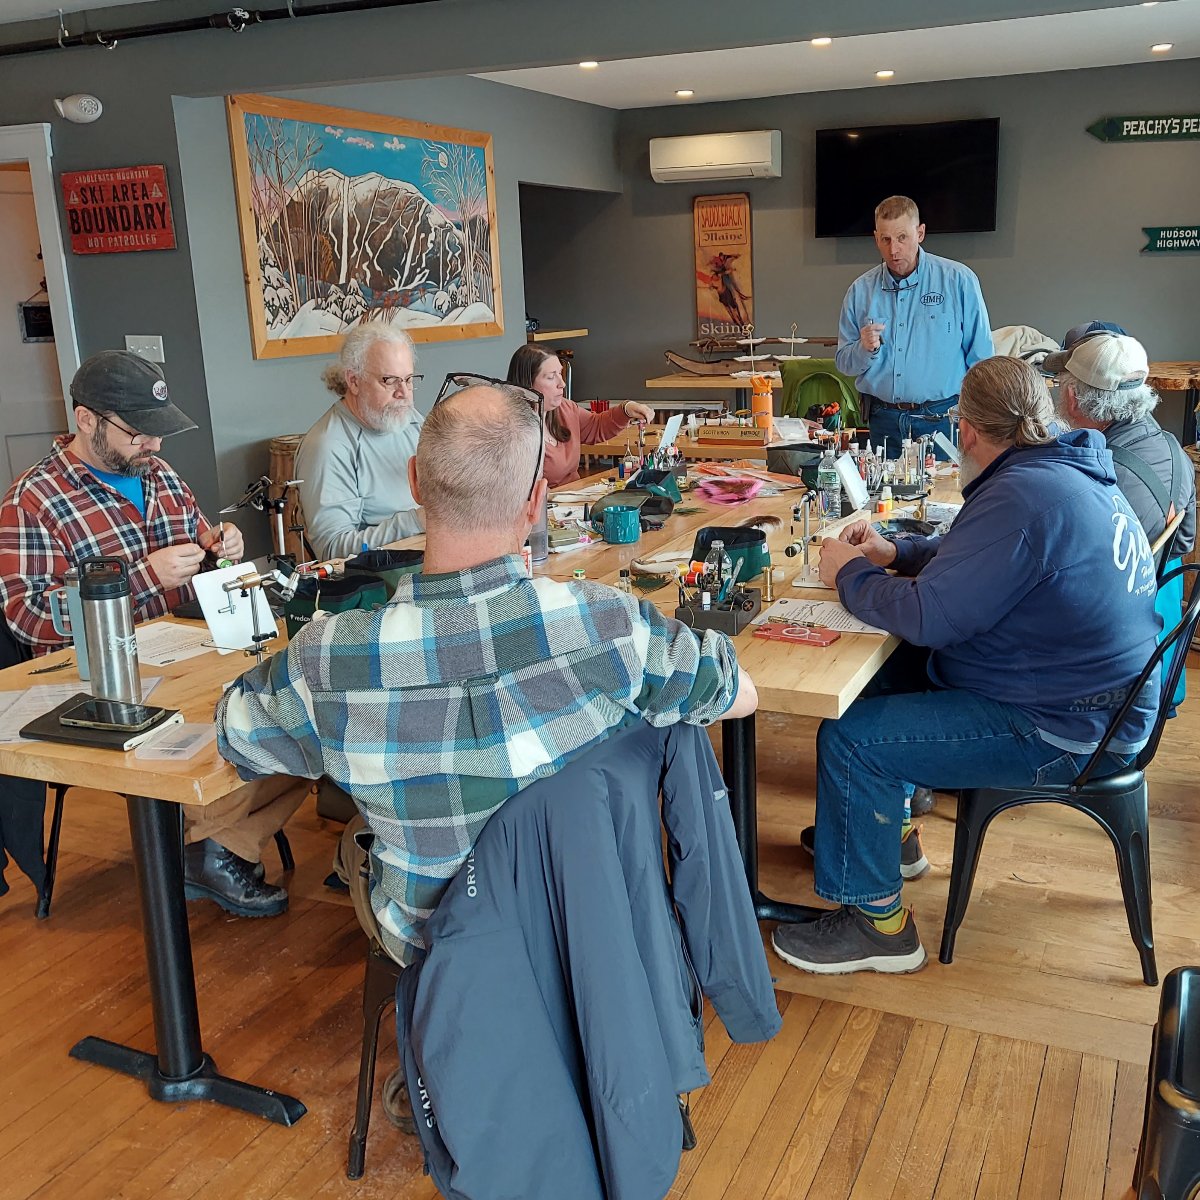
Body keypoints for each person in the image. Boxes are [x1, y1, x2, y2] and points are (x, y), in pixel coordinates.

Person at [216, 380, 756, 968]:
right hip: (591, 939)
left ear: (415, 481)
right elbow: (737, 693)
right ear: (536, 500)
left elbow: (237, 732)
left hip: (441, 955)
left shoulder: (328, 657)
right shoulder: (606, 625)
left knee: (356, 841)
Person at [772, 356, 1161, 975]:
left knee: (851, 740)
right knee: (885, 676)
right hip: (1094, 698)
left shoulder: (1026, 494)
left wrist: (850, 573)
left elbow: (929, 616)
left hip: (1067, 728)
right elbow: (980, 557)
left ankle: (880, 928)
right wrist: (897, 550)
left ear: (968, 430)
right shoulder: (1054, 470)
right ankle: (883, 840)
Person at [0, 350, 302, 917]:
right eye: (140, 433)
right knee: (252, 731)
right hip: (97, 688)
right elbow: (29, 617)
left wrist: (222, 546)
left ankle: (214, 843)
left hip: (183, 657)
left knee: (300, 710)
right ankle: (213, 843)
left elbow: (197, 543)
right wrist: (141, 579)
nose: (155, 446)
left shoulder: (157, 474)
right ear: (87, 420)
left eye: (159, 433)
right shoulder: (33, 501)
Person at [835, 195, 993, 457]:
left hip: (943, 419)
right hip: (883, 420)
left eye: (902, 238)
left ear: (920, 233)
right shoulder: (860, 291)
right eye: (885, 240)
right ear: (876, 239)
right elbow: (844, 363)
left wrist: (981, 421)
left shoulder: (958, 280)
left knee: (944, 496)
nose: (893, 249)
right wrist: (863, 348)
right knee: (883, 497)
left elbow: (982, 359)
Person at [1045, 327, 1195, 558]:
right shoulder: (1175, 450)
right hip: (1153, 586)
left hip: (1103, 591)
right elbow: (1183, 543)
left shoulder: (1091, 476)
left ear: (1073, 398)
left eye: (1060, 384)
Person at [296, 325, 425, 559]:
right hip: (380, 584)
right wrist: (415, 521)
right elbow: (332, 551)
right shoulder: (328, 447)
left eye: (408, 379)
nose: (404, 393)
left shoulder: (409, 420)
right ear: (354, 381)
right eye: (389, 380)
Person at [506, 345, 654, 487]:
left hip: (573, 502)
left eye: (560, 373)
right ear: (527, 385)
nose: (562, 383)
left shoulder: (565, 408)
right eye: (551, 377)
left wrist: (626, 409)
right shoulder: (511, 430)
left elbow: (596, 426)